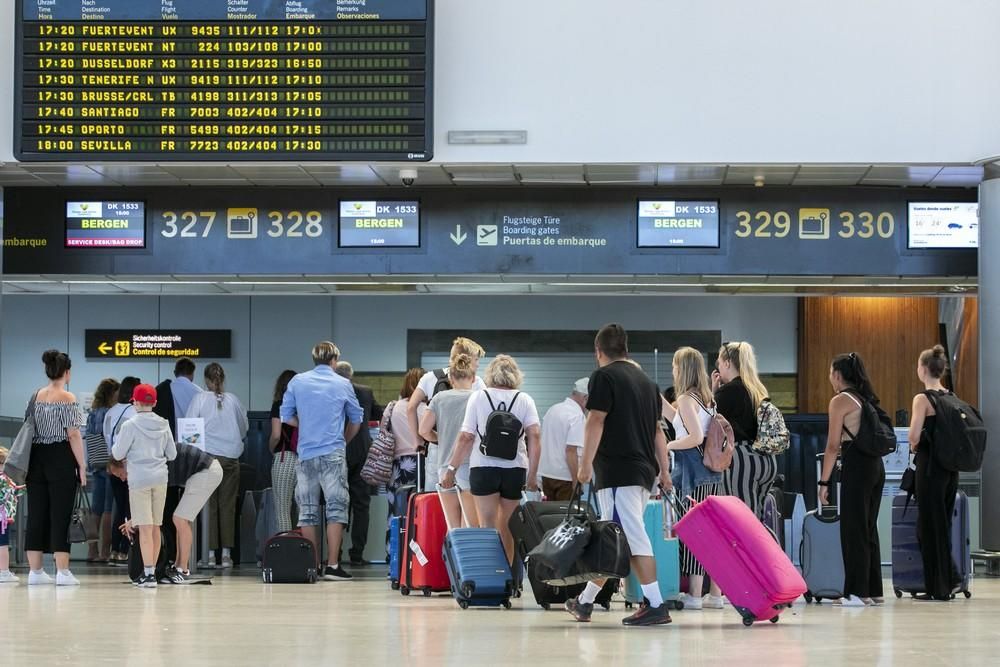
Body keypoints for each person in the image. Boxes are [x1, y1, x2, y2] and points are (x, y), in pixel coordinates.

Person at [565, 324, 673, 627]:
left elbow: (595, 421)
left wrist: (585, 466)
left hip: (617, 472)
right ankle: (584, 603)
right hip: (642, 471)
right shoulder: (647, 383)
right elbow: (657, 432)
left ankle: (655, 603)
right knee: (614, 538)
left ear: (599, 352)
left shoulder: (604, 376)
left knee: (630, 535)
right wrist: (664, 472)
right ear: (626, 350)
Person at [440, 354, 540, 567]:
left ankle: (492, 577)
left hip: (483, 468)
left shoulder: (478, 397)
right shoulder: (525, 399)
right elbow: (535, 437)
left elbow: (466, 436)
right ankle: (508, 581)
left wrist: (451, 470)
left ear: (490, 374)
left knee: (487, 525)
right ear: (515, 375)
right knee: (508, 526)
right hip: (515, 469)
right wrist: (532, 476)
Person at [281, 341, 364, 581]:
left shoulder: (297, 382)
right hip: (333, 453)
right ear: (334, 360)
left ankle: (312, 566)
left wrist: (306, 425)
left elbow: (286, 416)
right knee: (336, 509)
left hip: (306, 454)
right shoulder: (343, 383)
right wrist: (343, 440)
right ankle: (333, 566)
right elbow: (356, 419)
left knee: (307, 511)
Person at [819, 352, 885, 607]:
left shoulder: (840, 401)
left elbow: (833, 445)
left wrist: (823, 482)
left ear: (837, 375)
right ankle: (873, 590)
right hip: (875, 466)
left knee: (853, 529)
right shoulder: (865, 399)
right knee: (868, 527)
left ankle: (856, 593)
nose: (829, 378)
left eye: (830, 373)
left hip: (857, 466)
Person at [663, 346, 725, 611]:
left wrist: (666, 447)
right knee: (711, 534)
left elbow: (695, 437)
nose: (672, 370)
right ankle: (715, 594)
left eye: (675, 365)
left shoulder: (688, 399)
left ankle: (695, 595)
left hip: (693, 475)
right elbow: (679, 420)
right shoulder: (706, 398)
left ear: (683, 369)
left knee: (694, 532)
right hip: (710, 475)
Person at [25, 350, 86, 586]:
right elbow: (73, 434)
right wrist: (81, 466)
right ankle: (62, 572)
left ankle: (35, 572)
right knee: (61, 514)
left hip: (36, 458)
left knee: (36, 514)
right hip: (60, 457)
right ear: (67, 373)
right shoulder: (67, 398)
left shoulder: (35, 395)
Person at [110, 383, 177, 589]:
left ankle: (147, 575)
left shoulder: (130, 425)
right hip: (160, 479)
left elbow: (118, 454)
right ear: (154, 402)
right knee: (156, 526)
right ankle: (153, 573)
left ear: (135, 403)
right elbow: (172, 454)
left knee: (144, 528)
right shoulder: (164, 424)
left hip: (139, 480)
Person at [908, 345, 961, 601]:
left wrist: (914, 442)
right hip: (950, 470)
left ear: (923, 369)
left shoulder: (923, 399)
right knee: (943, 525)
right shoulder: (951, 396)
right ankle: (950, 580)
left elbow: (914, 437)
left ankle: (937, 588)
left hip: (929, 469)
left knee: (929, 528)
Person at [185, 363, 248, 569]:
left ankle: (209, 555)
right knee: (227, 506)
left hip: (207, 459)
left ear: (206, 380)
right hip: (230, 459)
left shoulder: (199, 399)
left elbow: (189, 429)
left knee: (208, 506)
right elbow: (243, 428)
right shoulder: (234, 400)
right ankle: (227, 555)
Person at [714, 341, 778, 518]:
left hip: (741, 460)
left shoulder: (728, 391)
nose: (718, 368)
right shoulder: (757, 389)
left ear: (727, 363)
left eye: (719, 363)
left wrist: (714, 393)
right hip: (766, 460)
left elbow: (709, 423)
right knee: (757, 520)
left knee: (740, 521)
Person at [406, 336, 487, 475]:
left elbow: (410, 407)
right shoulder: (476, 381)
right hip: (467, 450)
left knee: (434, 494)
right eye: (476, 359)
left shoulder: (430, 377)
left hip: (438, 448)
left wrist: (417, 441)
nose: (478, 364)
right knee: (466, 493)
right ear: (465, 358)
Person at [419, 355, 480, 529]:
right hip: (469, 465)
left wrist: (442, 438)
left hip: (445, 467)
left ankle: (450, 555)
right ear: (474, 378)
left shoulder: (439, 398)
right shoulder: (478, 398)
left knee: (452, 527)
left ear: (451, 378)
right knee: (469, 526)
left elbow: (423, 430)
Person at [335, 361, 384, 567]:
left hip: (338, 451)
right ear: (351, 375)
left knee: (337, 503)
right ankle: (357, 554)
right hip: (362, 451)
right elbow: (378, 415)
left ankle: (334, 553)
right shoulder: (365, 391)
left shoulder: (331, 391)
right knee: (362, 505)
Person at [167, 444, 223, 582]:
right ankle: (178, 565)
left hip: (207, 470)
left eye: (120, 475)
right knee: (182, 519)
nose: (123, 479)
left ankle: (183, 569)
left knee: (179, 519)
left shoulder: (153, 462)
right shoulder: (155, 453)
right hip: (206, 469)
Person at [104, 376, 141, 566]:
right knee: (130, 508)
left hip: (113, 464)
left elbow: (106, 437)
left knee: (119, 507)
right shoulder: (134, 411)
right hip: (128, 465)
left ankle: (115, 550)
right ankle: (127, 549)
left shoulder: (110, 411)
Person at [85, 378, 119, 563]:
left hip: (96, 465)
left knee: (95, 510)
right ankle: (105, 551)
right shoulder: (111, 413)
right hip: (109, 464)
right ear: (111, 393)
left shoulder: (93, 413)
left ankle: (92, 550)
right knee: (108, 510)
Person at [539, 378, 589, 501]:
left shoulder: (553, 409)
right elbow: (571, 451)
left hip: (546, 474)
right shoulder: (577, 416)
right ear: (586, 398)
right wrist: (576, 481)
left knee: (549, 517)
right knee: (565, 518)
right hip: (565, 478)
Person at [269, 369, 299, 533]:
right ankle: (306, 552)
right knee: (305, 512)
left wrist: (271, 448)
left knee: (282, 509)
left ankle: (286, 553)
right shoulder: (304, 406)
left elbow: (276, 435)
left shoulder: (279, 405)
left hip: (284, 457)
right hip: (306, 460)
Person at [389, 368, 426, 493]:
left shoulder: (394, 407)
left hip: (397, 464)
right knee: (420, 506)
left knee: (398, 505)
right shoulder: (426, 409)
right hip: (421, 462)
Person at [153, 358, 200, 437]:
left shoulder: (164, 388)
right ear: (192, 374)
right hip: (192, 438)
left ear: (175, 373)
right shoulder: (200, 392)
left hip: (170, 438)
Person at [0, 447, 22, 584]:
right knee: (3, 545)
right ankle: (3, 572)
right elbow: (16, 490)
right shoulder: (4, 479)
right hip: (2, 519)